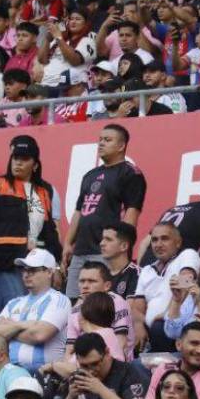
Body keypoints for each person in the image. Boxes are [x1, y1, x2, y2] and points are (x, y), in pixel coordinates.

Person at [0, 134, 61, 340]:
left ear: (35, 164)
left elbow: (49, 231)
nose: (18, 162)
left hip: (27, 262)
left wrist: (55, 263)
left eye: (24, 158)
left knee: (3, 314)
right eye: (15, 158)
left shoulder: (44, 190)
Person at [61, 123, 146, 297]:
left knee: (100, 301)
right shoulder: (90, 175)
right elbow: (79, 211)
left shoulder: (131, 173)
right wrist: (68, 243)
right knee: (73, 302)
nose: (101, 143)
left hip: (106, 251)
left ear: (121, 146)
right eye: (100, 140)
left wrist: (122, 245)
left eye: (107, 140)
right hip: (80, 250)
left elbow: (131, 212)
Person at [0, 248, 70, 369]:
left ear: (49, 272)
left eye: (33, 270)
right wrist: (22, 325)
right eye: (24, 269)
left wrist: (9, 330)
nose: (26, 274)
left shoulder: (59, 300)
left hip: (44, 374)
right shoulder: (14, 302)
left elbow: (40, 335)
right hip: (10, 371)